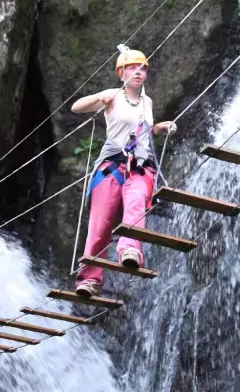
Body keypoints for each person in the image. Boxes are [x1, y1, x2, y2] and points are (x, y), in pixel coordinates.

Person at [69, 46, 178, 298]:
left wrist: (160, 127)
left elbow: (143, 133)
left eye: (142, 68)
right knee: (101, 221)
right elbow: (76, 107)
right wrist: (100, 99)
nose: (138, 72)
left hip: (140, 165)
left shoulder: (147, 102)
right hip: (112, 166)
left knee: (137, 201)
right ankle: (89, 279)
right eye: (132, 68)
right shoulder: (113, 95)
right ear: (121, 73)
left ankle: (130, 250)